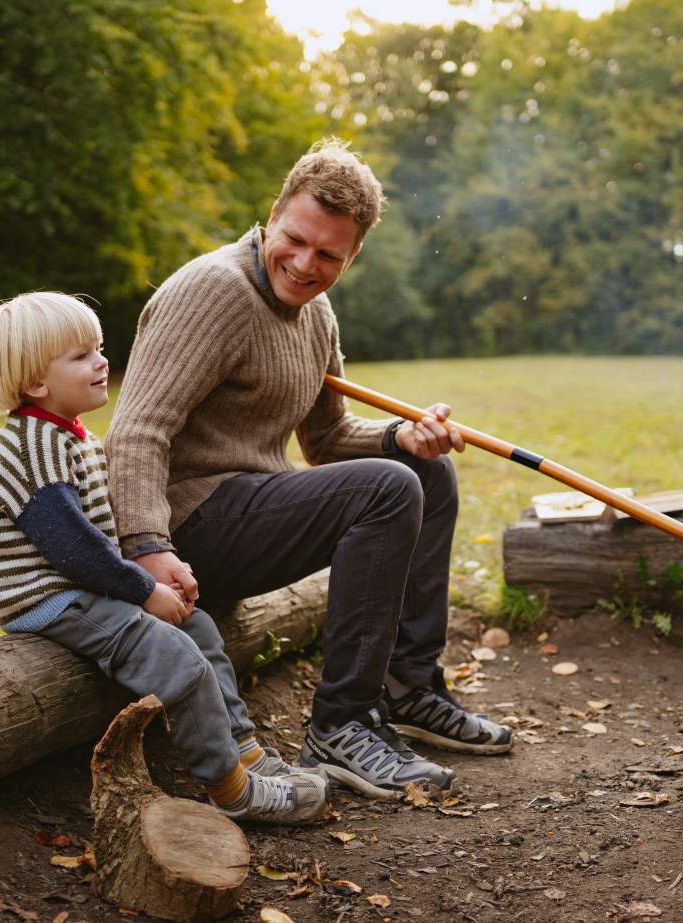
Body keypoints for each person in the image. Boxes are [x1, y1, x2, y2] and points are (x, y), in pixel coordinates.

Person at [107, 140, 512, 801]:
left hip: (253, 504)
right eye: (295, 239)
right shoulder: (213, 291)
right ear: (272, 214)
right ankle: (341, 724)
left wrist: (401, 435)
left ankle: (407, 687)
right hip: (189, 527)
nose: (304, 263)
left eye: (328, 254)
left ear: (354, 255)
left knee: (424, 472)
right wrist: (147, 549)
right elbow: (135, 432)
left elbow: (325, 439)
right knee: (388, 485)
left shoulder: (315, 313)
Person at [0, 291, 329, 825]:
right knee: (174, 656)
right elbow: (73, 549)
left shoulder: (70, 437)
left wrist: (153, 567)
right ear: (36, 384)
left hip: (78, 587)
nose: (101, 362)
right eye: (81, 356)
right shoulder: (30, 448)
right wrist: (143, 592)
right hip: (49, 599)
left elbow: (101, 532)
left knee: (200, 629)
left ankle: (244, 751)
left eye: (99, 348)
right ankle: (229, 788)